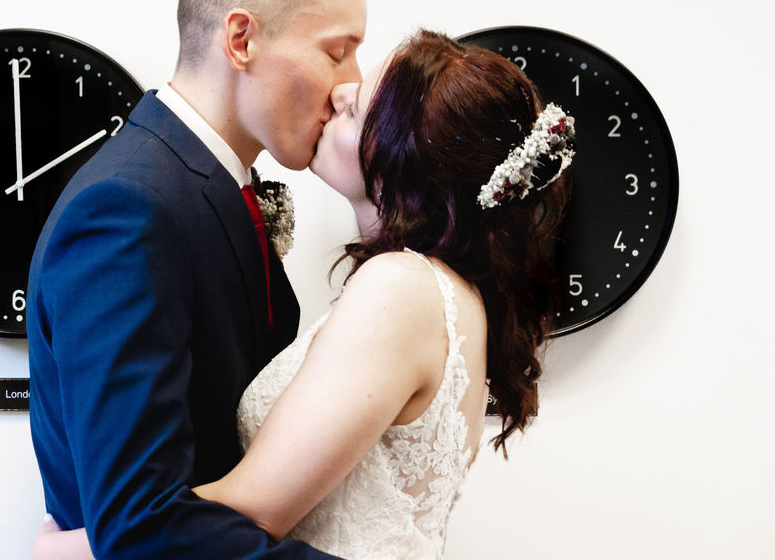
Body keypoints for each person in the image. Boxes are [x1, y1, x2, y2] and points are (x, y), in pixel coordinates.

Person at [36, 30, 574, 559]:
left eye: (357, 110)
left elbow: (252, 507)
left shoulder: (402, 287)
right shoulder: (449, 291)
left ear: (399, 163)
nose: (341, 90)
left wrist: (75, 549)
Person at [27, 0, 371, 559]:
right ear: (240, 39)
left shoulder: (203, 187)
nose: (350, 84)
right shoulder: (125, 209)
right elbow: (141, 526)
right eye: (336, 50)